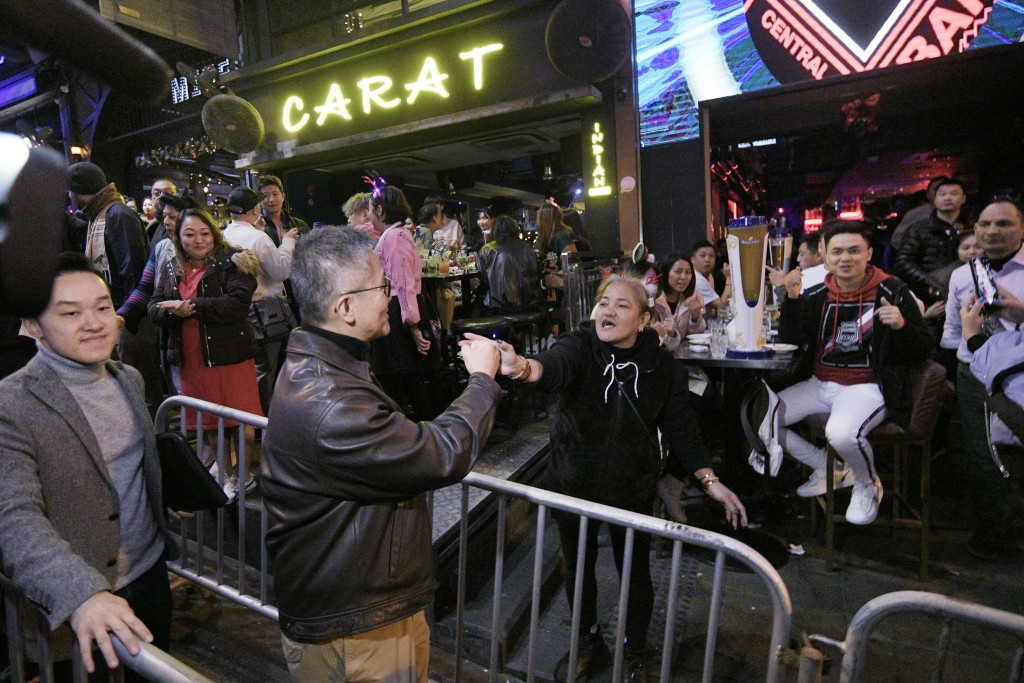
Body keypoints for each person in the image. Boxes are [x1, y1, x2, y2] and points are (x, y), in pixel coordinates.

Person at [469, 275, 747, 681]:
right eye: (603, 303)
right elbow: (554, 368)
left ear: (644, 318)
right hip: (574, 484)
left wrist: (709, 480)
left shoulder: (662, 366)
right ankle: (587, 639)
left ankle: (635, 649)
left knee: (634, 570)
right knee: (578, 568)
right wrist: (523, 368)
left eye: (622, 305)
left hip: (631, 487)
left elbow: (680, 426)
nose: (608, 312)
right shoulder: (579, 346)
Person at [260, 226, 502, 683]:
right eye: (382, 286)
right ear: (345, 306)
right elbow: (439, 452)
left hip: (368, 604)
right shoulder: (329, 400)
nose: (391, 296)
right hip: (356, 624)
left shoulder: (327, 362)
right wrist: (482, 381)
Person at [0, 252, 171, 680]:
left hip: (149, 576)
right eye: (70, 313)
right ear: (34, 326)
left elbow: (125, 468)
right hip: (81, 596)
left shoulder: (128, 377)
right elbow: (13, 517)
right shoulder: (11, 404)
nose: (95, 323)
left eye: (102, 307)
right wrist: (82, 594)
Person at [777, 220, 932, 525]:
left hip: (868, 386)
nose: (845, 258)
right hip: (820, 382)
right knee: (759, 417)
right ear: (825, 255)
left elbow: (925, 348)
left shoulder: (894, 289)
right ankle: (827, 466)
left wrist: (901, 326)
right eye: (837, 252)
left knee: (841, 433)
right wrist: (792, 301)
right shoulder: (816, 292)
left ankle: (866, 483)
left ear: (869, 253)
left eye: (853, 251)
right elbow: (792, 340)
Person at [148, 208, 263, 500]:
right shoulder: (172, 266)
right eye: (189, 234)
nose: (198, 240)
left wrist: (194, 306)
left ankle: (243, 476)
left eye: (204, 233)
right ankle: (225, 475)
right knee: (210, 422)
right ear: (178, 236)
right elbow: (154, 307)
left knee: (240, 420)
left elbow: (236, 304)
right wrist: (174, 313)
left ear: (214, 232)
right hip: (192, 356)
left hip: (229, 354)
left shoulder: (234, 261)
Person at [941, 197, 1024, 558]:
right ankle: (991, 528)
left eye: (1003, 224)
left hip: (1017, 375)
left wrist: (1020, 312)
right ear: (974, 230)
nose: (992, 231)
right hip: (972, 371)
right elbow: (951, 330)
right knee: (982, 455)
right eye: (985, 225)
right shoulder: (962, 274)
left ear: (1021, 228)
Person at [223, 186, 298, 414]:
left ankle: (255, 418)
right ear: (255, 208)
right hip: (266, 313)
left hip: (237, 312)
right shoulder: (258, 238)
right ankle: (266, 421)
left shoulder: (223, 235)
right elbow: (280, 271)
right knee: (270, 369)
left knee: (254, 368)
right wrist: (288, 243)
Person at [367, 186, 435, 419]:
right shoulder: (397, 233)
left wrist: (413, 326)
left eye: (370, 211)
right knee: (407, 380)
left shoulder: (394, 238)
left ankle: (410, 435)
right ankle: (425, 433)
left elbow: (403, 285)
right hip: (402, 310)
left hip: (399, 313)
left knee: (396, 379)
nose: (369, 217)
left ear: (380, 209)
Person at [894, 178, 969, 304]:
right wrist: (929, 281)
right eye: (942, 194)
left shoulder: (970, 227)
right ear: (934, 199)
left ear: (964, 198)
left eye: (954, 194)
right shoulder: (918, 229)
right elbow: (903, 262)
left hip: (965, 291)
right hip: (927, 295)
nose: (948, 198)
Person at [477, 215, 543, 314]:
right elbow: (534, 275)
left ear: (494, 229)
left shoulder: (485, 249)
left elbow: (484, 278)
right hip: (527, 304)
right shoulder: (527, 247)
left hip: (496, 305)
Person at [651, 253, 705, 352]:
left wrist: (695, 318)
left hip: (684, 358)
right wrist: (668, 333)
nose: (684, 277)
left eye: (688, 272)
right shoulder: (654, 302)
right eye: (678, 271)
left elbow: (695, 337)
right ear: (665, 273)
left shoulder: (693, 298)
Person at [890, 175, 951, 251]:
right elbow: (896, 239)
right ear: (928, 195)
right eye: (936, 189)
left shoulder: (963, 212)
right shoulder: (916, 214)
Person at [259, 174, 310, 247]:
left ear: (283, 196)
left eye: (275, 194)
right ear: (260, 199)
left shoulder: (299, 225)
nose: (271, 199)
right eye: (266, 195)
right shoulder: (256, 228)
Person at [691, 239, 732, 313]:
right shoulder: (698, 280)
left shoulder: (709, 275)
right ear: (693, 260)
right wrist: (729, 277)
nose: (707, 259)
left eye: (711, 255)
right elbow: (721, 306)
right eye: (702, 255)